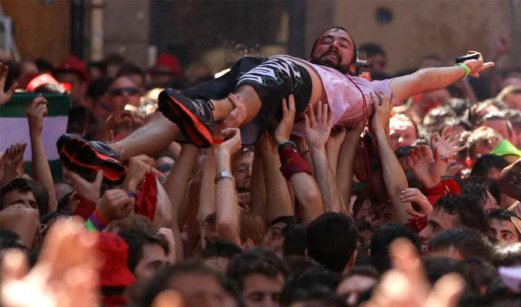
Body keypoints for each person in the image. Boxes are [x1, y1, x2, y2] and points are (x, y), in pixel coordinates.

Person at [57, 26, 494, 184]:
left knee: (270, 70)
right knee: (181, 109)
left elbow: (421, 78)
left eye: (343, 43)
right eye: (326, 39)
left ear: (354, 61)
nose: (333, 44)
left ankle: (211, 111)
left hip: (304, 99)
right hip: (269, 100)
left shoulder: (370, 89)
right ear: (313, 49)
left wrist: (465, 71)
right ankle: (113, 154)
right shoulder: (289, 65)